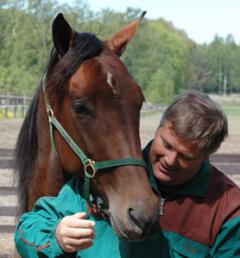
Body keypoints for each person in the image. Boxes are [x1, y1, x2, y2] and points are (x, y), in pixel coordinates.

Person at [15, 90, 240, 257]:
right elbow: (27, 229)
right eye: (167, 145)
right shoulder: (109, 173)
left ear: (206, 156)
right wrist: (56, 237)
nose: (170, 161)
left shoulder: (229, 209)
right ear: (158, 129)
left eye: (186, 157)